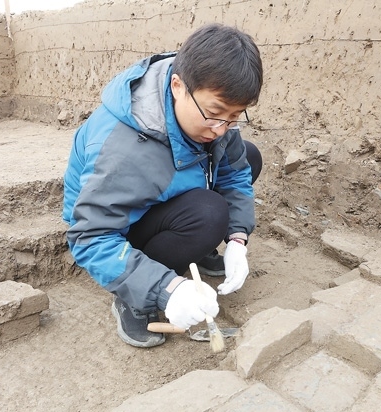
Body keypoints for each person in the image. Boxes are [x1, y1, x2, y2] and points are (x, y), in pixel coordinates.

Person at [62, 23, 263, 348]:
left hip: (164, 191)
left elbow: (235, 173)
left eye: (235, 116)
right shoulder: (124, 148)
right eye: (215, 113)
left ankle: (196, 246)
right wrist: (167, 289)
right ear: (177, 86)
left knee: (248, 156)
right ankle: (132, 295)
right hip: (115, 227)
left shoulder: (213, 114)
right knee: (209, 213)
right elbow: (90, 237)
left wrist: (238, 238)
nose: (221, 128)